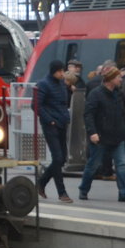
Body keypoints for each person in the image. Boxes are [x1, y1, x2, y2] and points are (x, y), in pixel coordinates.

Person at [78, 66, 125, 202]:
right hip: (100, 136)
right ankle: (83, 189)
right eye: (118, 77)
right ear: (110, 79)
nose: (121, 79)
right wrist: (92, 132)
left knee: (122, 165)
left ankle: (124, 193)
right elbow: (88, 114)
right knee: (93, 165)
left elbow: (123, 112)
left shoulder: (118, 93)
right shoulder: (96, 94)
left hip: (118, 135)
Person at [35, 60, 73, 202]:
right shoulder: (43, 84)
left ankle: (41, 182)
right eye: (60, 71)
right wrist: (49, 120)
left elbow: (62, 103)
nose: (62, 74)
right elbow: (36, 105)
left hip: (62, 123)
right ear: (54, 71)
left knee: (61, 159)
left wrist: (65, 118)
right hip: (51, 125)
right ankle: (62, 192)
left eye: (63, 70)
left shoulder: (61, 84)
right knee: (57, 158)